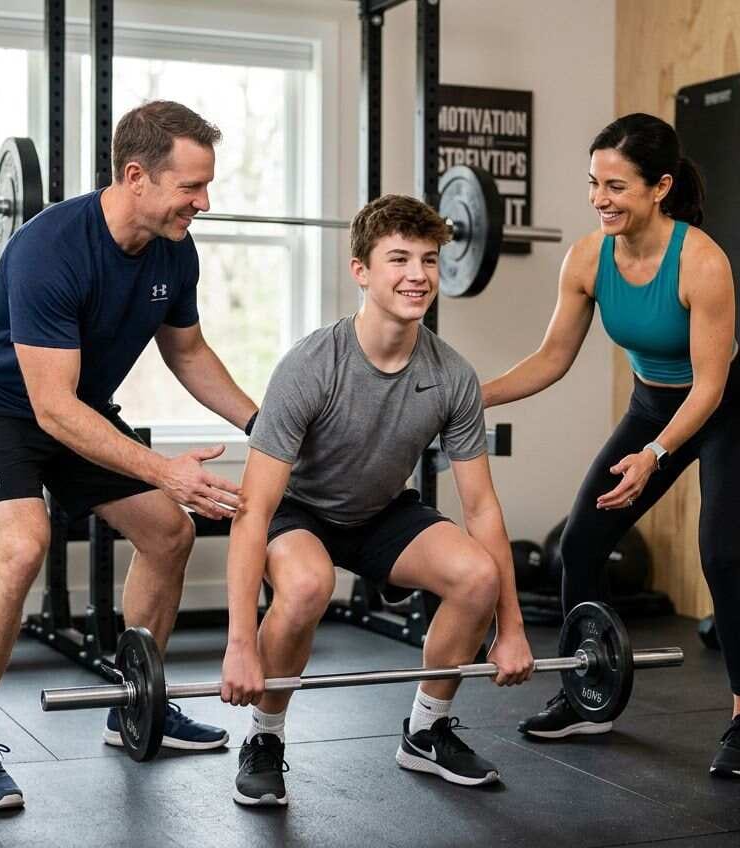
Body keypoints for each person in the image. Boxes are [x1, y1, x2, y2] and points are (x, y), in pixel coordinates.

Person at [0, 100, 259, 809]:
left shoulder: (175, 250)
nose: (203, 203)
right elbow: (49, 409)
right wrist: (167, 471)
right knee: (22, 547)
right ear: (136, 175)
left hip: (73, 405)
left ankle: (132, 701)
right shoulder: (50, 246)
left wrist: (264, 425)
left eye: (206, 186)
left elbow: (189, 353)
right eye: (191, 188)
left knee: (168, 533)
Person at [483, 113, 740, 778]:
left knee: (722, 556)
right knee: (583, 542)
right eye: (593, 184)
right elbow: (552, 358)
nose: (599, 198)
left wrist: (657, 455)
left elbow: (708, 388)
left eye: (615, 186)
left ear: (659, 187)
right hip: (652, 407)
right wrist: (474, 395)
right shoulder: (588, 258)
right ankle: (592, 698)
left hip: (727, 412)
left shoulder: (702, 262)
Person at [219, 194, 535, 807]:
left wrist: (511, 628)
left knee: (477, 575)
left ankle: (425, 731)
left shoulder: (453, 376)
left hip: (380, 511)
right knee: (308, 585)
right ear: (360, 270)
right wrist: (239, 644)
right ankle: (263, 736)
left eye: (429, 259)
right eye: (398, 259)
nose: (417, 275)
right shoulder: (311, 366)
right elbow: (254, 509)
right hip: (299, 510)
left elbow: (483, 509)